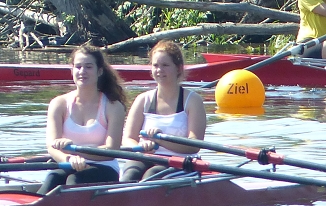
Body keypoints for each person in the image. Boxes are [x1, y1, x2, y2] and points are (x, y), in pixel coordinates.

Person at [38, 46, 126, 194]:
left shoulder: (113, 106)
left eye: (88, 67)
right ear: (72, 70)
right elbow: (51, 146)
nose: (82, 71)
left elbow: (112, 149)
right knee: (53, 178)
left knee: (74, 180)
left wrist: (76, 154)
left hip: (104, 166)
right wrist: (68, 158)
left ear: (99, 71)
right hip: (68, 163)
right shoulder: (58, 104)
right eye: (78, 67)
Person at [120, 40, 207, 182]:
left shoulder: (192, 100)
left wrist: (159, 140)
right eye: (156, 65)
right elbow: (128, 138)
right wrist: (141, 147)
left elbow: (194, 145)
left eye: (165, 65)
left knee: (151, 176)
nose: (159, 70)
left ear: (178, 68)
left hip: (181, 162)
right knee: (129, 175)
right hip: (146, 157)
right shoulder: (143, 100)